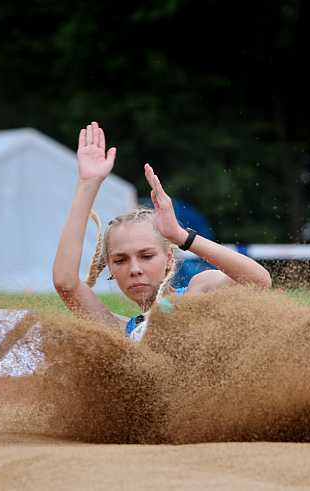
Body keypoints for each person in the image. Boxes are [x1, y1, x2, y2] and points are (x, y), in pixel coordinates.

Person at [53, 122, 271, 341]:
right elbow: (66, 283)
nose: (134, 269)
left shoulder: (197, 294)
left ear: (169, 257)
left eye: (146, 256)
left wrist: (179, 235)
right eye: (120, 260)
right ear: (109, 267)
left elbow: (258, 282)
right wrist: (88, 182)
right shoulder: (119, 331)